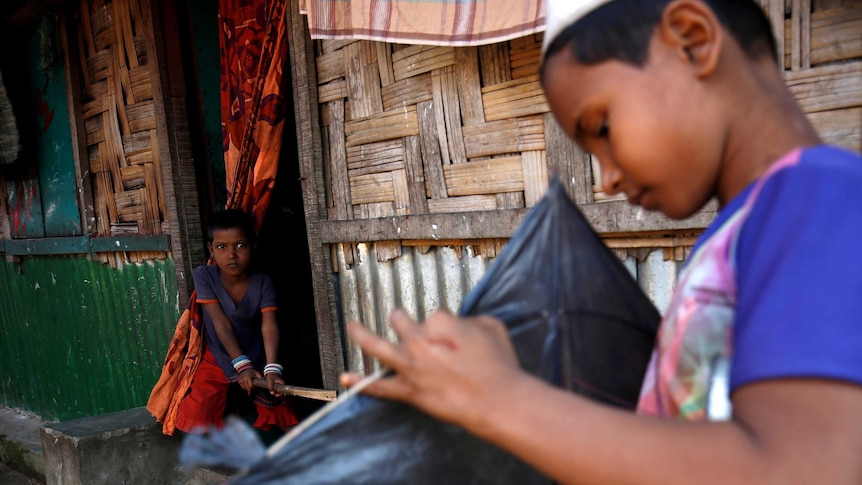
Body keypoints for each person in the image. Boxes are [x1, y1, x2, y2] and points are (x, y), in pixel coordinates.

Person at [339, 0, 862, 483]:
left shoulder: (816, 196)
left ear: (693, 40)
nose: (606, 179)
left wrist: (499, 399)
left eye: (602, 126)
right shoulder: (743, 230)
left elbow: (801, 468)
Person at [175, 208, 299, 433]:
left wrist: (272, 368)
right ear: (211, 249)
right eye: (222, 247)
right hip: (218, 354)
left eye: (240, 245)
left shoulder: (263, 282)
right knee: (197, 412)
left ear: (254, 245)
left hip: (256, 351)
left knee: (278, 401)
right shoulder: (204, 276)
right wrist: (242, 366)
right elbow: (220, 324)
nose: (231, 255)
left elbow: (269, 325)